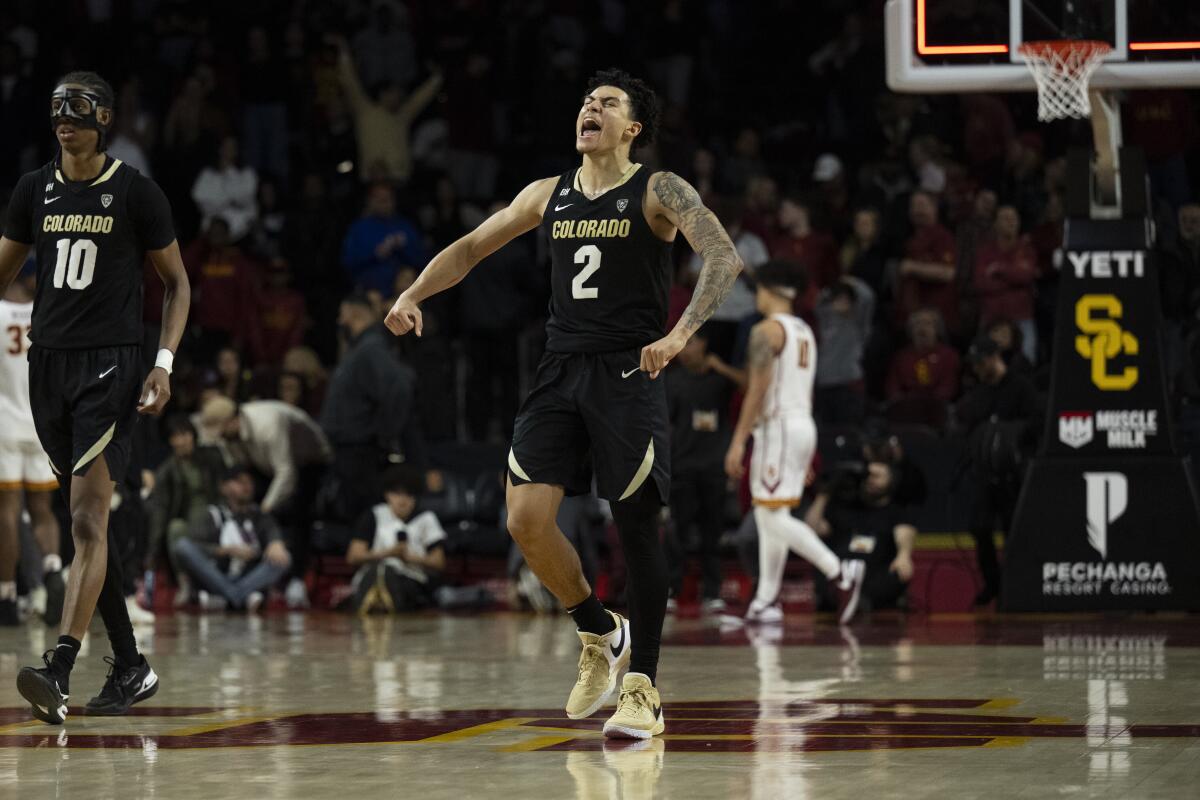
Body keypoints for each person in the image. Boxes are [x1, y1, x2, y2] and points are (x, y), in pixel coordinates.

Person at [385, 69, 744, 739]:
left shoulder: (658, 188)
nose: (591, 108)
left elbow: (723, 256)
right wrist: (414, 295)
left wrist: (679, 334)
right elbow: (469, 248)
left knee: (635, 528)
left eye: (607, 103)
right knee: (524, 519)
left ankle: (644, 689)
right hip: (559, 370)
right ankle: (599, 631)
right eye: (586, 101)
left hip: (628, 372)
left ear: (633, 128)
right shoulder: (547, 194)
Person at [0, 71, 190, 724]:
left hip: (110, 369)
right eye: (56, 108)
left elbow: (178, 285)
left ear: (105, 117)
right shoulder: (34, 190)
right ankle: (131, 665)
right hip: (46, 369)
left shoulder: (136, 194)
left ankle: (58, 665)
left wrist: (163, 361)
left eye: (78, 108)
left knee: (85, 518)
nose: (64, 118)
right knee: (90, 528)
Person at [723, 260, 865, 626]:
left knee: (770, 515)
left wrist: (739, 440)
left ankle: (840, 572)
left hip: (779, 427)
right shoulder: (804, 330)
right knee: (773, 514)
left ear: (769, 291)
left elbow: (757, 390)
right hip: (802, 424)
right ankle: (766, 601)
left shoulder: (765, 332)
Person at [198, 394, 332, 607]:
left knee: (297, 512)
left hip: (308, 461)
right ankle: (253, 583)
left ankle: (297, 581)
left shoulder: (267, 426)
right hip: (265, 465)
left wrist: (264, 509)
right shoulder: (230, 437)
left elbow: (286, 472)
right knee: (250, 511)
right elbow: (237, 469)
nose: (220, 437)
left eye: (222, 430)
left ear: (232, 420)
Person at [321, 292, 424, 523]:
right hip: (350, 455)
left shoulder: (371, 348)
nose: (339, 321)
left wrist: (384, 435)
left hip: (360, 456)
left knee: (361, 524)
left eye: (341, 314)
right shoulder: (361, 349)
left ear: (353, 312)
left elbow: (399, 387)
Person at [0, 261, 64, 626]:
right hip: (41, 421)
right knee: (43, 510)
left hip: (4, 423)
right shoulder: (48, 312)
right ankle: (53, 568)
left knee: (8, 510)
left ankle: (7, 594)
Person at [955, 335, 1040, 606]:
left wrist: (1007, 436)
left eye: (981, 363)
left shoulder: (1020, 387)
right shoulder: (978, 394)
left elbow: (1035, 424)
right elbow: (971, 428)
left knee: (1013, 531)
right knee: (980, 528)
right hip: (985, 474)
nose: (978, 369)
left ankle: (1016, 586)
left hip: (1014, 475)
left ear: (994, 358)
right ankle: (992, 584)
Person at [663, 326, 741, 612]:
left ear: (705, 344)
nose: (684, 350)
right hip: (683, 464)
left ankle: (712, 591)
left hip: (714, 467)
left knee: (712, 533)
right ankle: (672, 588)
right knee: (678, 531)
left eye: (690, 343)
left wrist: (721, 367)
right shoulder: (673, 381)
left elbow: (750, 384)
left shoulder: (720, 380)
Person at [171, 464, 291, 612]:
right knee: (183, 546)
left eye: (249, 482)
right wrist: (226, 551)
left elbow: (272, 532)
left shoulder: (259, 515)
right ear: (224, 487)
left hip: (248, 577)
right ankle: (239, 597)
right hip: (217, 576)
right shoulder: (212, 514)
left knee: (284, 558)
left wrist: (276, 543)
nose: (246, 487)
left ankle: (227, 598)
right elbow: (196, 546)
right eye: (240, 482)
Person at [806, 461, 917, 613]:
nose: (870, 479)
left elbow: (905, 534)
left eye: (877, 476)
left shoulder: (896, 512)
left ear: (891, 481)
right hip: (840, 576)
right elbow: (812, 529)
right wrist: (824, 494)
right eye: (868, 475)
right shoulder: (844, 506)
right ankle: (843, 599)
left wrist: (904, 555)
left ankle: (857, 601)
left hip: (873, 583)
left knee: (899, 572)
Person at [346, 466, 446, 614]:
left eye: (408, 495)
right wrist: (387, 554)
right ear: (387, 495)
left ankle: (384, 601)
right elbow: (353, 556)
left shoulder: (426, 519)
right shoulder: (374, 515)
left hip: (410, 577)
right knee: (380, 573)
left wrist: (409, 557)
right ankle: (375, 598)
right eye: (397, 494)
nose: (402, 500)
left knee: (393, 579)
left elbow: (439, 562)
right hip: (373, 573)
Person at [147, 415, 223, 607]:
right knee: (175, 527)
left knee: (200, 517)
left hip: (215, 513)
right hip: (186, 518)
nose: (182, 440)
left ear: (193, 436)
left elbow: (226, 486)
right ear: (171, 441)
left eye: (185, 434)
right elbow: (161, 509)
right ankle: (185, 583)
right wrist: (153, 549)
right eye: (177, 436)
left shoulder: (211, 457)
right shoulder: (167, 471)